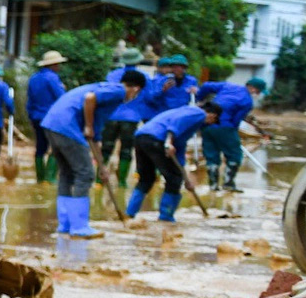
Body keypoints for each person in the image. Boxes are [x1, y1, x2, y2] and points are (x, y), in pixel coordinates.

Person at [41, 69, 147, 239]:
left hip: (52, 124)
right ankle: (79, 226)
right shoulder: (118, 91)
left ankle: (65, 224)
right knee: (85, 174)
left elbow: (95, 137)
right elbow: (90, 98)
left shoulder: (109, 97)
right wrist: (88, 126)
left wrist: (103, 167)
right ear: (135, 89)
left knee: (68, 174)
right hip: (67, 126)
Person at [129, 100, 218, 222]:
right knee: (174, 180)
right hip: (158, 139)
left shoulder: (184, 113)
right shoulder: (198, 113)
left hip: (141, 138)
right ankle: (166, 216)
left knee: (146, 178)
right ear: (212, 115)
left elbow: (179, 149)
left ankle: (129, 213)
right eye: (213, 121)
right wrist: (168, 142)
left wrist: (185, 177)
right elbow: (175, 124)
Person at [195, 76, 269, 190]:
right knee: (234, 155)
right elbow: (236, 121)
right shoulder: (247, 101)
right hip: (225, 126)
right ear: (253, 89)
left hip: (206, 124)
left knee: (211, 155)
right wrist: (231, 135)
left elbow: (206, 86)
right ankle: (228, 184)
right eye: (258, 91)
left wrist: (198, 99)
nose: (257, 94)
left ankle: (213, 185)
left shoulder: (228, 86)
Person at [98, 48, 151, 191]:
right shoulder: (143, 77)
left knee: (106, 148)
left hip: (111, 115)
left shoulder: (112, 75)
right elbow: (149, 97)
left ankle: (98, 180)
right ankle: (121, 182)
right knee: (126, 150)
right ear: (138, 60)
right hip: (131, 118)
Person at [25, 51, 68, 183]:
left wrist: (31, 115)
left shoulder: (34, 78)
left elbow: (30, 101)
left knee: (40, 147)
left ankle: (40, 178)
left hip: (36, 118)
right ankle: (50, 178)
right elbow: (62, 97)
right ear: (54, 65)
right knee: (56, 147)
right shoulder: (53, 78)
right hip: (51, 119)